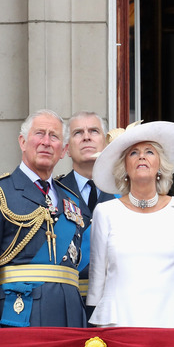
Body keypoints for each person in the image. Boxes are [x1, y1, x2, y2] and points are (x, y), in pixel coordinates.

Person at [87, 121, 174, 327]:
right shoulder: (106, 212)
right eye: (133, 153)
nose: (142, 156)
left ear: (160, 164)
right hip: (120, 324)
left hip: (171, 322)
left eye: (149, 151)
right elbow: (97, 280)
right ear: (124, 167)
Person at [0, 109, 87, 328]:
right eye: (39, 134)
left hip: (70, 318)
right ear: (22, 142)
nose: (46, 142)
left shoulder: (73, 202)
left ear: (63, 150)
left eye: (54, 136)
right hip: (19, 317)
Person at [57, 111, 115, 313]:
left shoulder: (124, 195)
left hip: (115, 305)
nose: (87, 137)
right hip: (67, 305)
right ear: (67, 149)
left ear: (106, 145)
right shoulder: (53, 194)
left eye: (94, 131)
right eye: (78, 132)